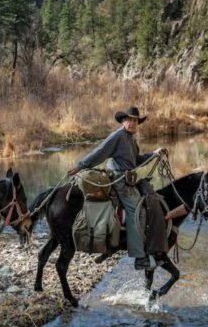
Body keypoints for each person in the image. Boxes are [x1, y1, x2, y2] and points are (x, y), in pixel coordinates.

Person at [67, 107, 186, 269]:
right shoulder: (118, 136)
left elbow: (136, 161)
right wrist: (81, 165)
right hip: (119, 179)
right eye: (129, 120)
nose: (132, 123)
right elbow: (100, 151)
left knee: (147, 201)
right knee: (137, 210)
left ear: (138, 123)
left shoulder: (130, 139)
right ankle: (139, 256)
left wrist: (154, 154)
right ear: (123, 121)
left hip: (127, 179)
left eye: (135, 120)